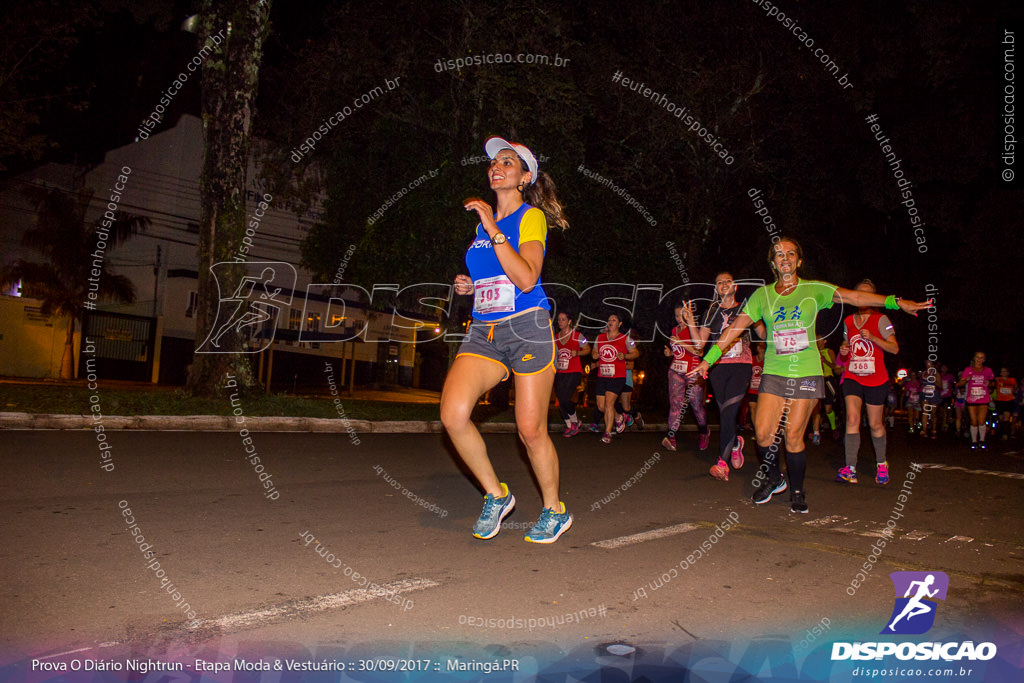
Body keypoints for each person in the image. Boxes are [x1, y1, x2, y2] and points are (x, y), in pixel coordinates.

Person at [690, 238, 930, 513]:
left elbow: (854, 297)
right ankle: (775, 480)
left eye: (791, 253)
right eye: (779, 254)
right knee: (764, 433)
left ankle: (797, 490)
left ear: (799, 261)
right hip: (775, 373)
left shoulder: (814, 289)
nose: (785, 257)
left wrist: (895, 302)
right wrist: (707, 360)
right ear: (773, 263)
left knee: (792, 436)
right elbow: (733, 330)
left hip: (806, 373)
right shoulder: (762, 296)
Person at [440, 136, 573, 544]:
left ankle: (554, 510)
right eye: (494, 161)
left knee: (530, 431)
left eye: (508, 161)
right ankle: (496, 495)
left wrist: (494, 228)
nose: (497, 166)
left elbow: (527, 277)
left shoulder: (529, 217)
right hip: (485, 329)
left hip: (527, 328)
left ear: (524, 176)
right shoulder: (483, 228)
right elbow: (495, 276)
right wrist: (471, 285)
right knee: (453, 414)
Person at [698, 272, 763, 480]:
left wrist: (768, 318)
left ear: (735, 286)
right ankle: (735, 443)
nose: (723, 284)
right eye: (719, 282)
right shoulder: (711, 311)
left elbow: (763, 334)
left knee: (728, 412)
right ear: (715, 288)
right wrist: (691, 323)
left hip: (741, 365)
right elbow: (700, 344)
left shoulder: (745, 308)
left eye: (728, 281)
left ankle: (722, 463)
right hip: (718, 367)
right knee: (725, 412)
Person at [834, 280, 900, 485]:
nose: (862, 298)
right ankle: (850, 468)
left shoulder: (882, 319)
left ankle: (881, 464)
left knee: (875, 424)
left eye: (867, 294)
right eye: (858, 294)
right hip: (853, 376)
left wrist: (873, 338)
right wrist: (843, 351)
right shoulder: (848, 321)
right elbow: (847, 346)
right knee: (852, 419)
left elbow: (894, 349)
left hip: (876, 378)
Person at [662, 302, 708, 452]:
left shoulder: (693, 330)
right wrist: (670, 353)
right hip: (676, 370)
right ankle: (672, 437)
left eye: (682, 315)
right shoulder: (674, 330)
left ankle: (703, 432)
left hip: (694, 371)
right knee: (675, 404)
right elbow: (679, 352)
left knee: (695, 404)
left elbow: (699, 352)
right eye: (676, 316)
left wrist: (680, 342)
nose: (679, 318)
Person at [590, 313, 639, 444]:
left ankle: (607, 433)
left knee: (609, 404)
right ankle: (618, 417)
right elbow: (594, 352)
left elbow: (635, 353)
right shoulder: (600, 337)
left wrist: (625, 356)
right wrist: (595, 354)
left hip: (617, 376)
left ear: (620, 324)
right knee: (601, 407)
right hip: (602, 376)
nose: (610, 322)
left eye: (614, 320)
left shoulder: (625, 338)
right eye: (609, 319)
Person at [554, 311, 590, 437]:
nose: (560, 322)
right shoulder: (556, 337)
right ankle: (570, 426)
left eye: (563, 319)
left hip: (574, 371)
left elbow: (587, 349)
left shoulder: (578, 335)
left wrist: (578, 353)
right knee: (560, 399)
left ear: (569, 321)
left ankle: (575, 421)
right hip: (560, 371)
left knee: (564, 398)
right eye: (559, 319)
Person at [959, 351, 994, 450]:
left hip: (983, 397)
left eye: (981, 358)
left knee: (981, 420)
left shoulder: (988, 370)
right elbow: (960, 384)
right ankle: (974, 441)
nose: (979, 360)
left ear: (984, 360)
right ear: (974, 358)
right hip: (972, 399)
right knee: (974, 421)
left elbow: (993, 383)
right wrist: (965, 380)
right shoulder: (968, 370)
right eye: (977, 357)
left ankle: (982, 440)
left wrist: (989, 383)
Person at [809, 336, 841, 444]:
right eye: (816, 339)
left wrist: (824, 360)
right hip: (817, 379)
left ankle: (833, 428)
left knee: (828, 408)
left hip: (828, 379)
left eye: (819, 339)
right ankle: (815, 432)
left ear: (825, 341)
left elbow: (835, 366)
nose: (817, 341)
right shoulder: (813, 351)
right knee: (815, 407)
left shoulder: (829, 351)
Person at [920, 359, 943, 439]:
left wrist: (935, 381)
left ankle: (934, 429)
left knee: (933, 413)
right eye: (927, 364)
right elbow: (921, 384)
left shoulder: (936, 374)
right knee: (925, 412)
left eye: (929, 364)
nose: (928, 365)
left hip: (934, 395)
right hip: (925, 394)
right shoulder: (923, 373)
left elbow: (940, 386)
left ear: (933, 365)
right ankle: (924, 430)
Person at [994, 367, 1018, 439]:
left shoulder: (1012, 380)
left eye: (1005, 371)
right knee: (1001, 418)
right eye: (1002, 371)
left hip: (1008, 401)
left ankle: (1005, 434)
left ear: (1008, 373)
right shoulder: (998, 379)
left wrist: (1014, 392)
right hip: (1000, 401)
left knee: (1006, 417)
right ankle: (1000, 431)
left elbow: (1015, 387)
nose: (1004, 373)